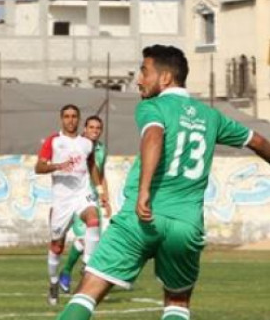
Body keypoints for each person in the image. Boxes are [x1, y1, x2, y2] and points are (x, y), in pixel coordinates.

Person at [55, 45, 270, 320]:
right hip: (185, 225)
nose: (138, 79)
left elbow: (154, 136)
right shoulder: (211, 116)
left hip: (141, 219)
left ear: (165, 78)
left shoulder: (152, 106)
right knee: (177, 303)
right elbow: (260, 142)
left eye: (144, 71)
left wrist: (145, 190)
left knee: (88, 291)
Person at [35, 105, 107, 306]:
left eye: (74, 116)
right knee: (57, 245)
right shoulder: (54, 141)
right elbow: (38, 167)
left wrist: (100, 191)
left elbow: (92, 164)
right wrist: (57, 165)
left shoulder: (86, 143)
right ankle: (53, 282)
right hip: (61, 199)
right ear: (61, 119)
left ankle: (87, 264)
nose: (71, 120)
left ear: (78, 119)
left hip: (82, 193)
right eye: (67, 116)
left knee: (93, 218)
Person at [58, 115, 112, 294]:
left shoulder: (102, 149)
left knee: (87, 240)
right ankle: (84, 276)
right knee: (85, 237)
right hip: (78, 198)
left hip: (93, 197)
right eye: (92, 127)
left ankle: (67, 272)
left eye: (98, 128)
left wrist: (105, 198)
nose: (95, 131)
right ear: (85, 129)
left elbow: (101, 174)